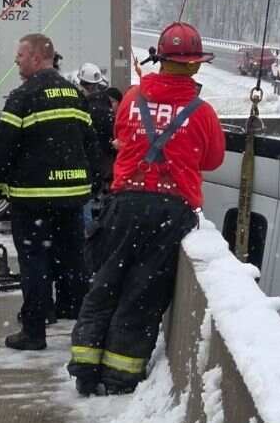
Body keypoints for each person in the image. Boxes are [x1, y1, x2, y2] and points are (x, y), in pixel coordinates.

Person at [68, 22, 226, 397]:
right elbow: (214, 160)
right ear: (195, 65)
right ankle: (121, 376)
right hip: (171, 209)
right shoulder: (202, 113)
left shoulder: (132, 98)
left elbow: (122, 136)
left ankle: (85, 366)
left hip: (125, 203)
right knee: (143, 292)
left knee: (106, 282)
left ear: (161, 58)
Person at [0, 34, 98, 350]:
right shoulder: (74, 94)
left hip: (33, 198)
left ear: (36, 57)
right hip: (72, 196)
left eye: (20, 54)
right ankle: (81, 323)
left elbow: (4, 144)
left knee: (34, 262)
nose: (16, 60)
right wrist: (91, 183)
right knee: (73, 261)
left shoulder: (24, 96)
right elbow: (90, 144)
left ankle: (34, 329)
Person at [76, 62, 118, 231]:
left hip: (86, 164)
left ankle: (88, 237)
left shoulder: (83, 108)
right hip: (104, 165)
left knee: (86, 204)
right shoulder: (107, 111)